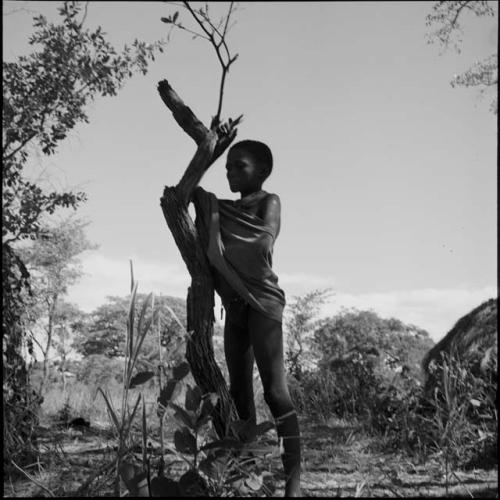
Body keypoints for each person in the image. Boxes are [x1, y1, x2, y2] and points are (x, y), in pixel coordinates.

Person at [192, 123, 301, 497]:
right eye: (228, 168)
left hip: (263, 303)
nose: (231, 173)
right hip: (233, 306)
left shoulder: (270, 202)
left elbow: (259, 244)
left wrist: (224, 234)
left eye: (239, 166)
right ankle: (246, 475)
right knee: (238, 394)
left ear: (263, 172)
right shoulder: (219, 209)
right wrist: (211, 151)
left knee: (275, 393)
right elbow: (184, 192)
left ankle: (293, 484)